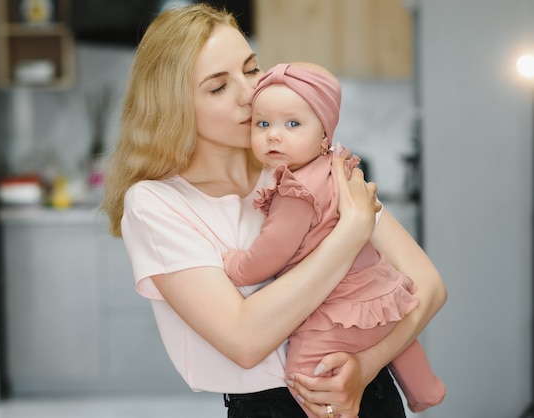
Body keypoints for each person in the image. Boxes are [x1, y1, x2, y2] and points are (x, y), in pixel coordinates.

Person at [101, 4, 447, 418]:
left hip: (371, 392)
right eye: (217, 87)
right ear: (173, 106)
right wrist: (350, 234)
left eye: (251, 69)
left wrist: (367, 365)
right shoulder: (157, 203)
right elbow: (246, 341)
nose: (251, 93)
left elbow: (428, 284)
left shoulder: (302, 164)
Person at [222, 62, 446, 416]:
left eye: (292, 124)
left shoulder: (295, 191)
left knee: (303, 374)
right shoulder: (338, 169)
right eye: (263, 124)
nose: (274, 135)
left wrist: (239, 266)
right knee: (391, 333)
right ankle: (426, 389)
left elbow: (273, 250)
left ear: (324, 134)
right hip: (380, 291)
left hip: (336, 310)